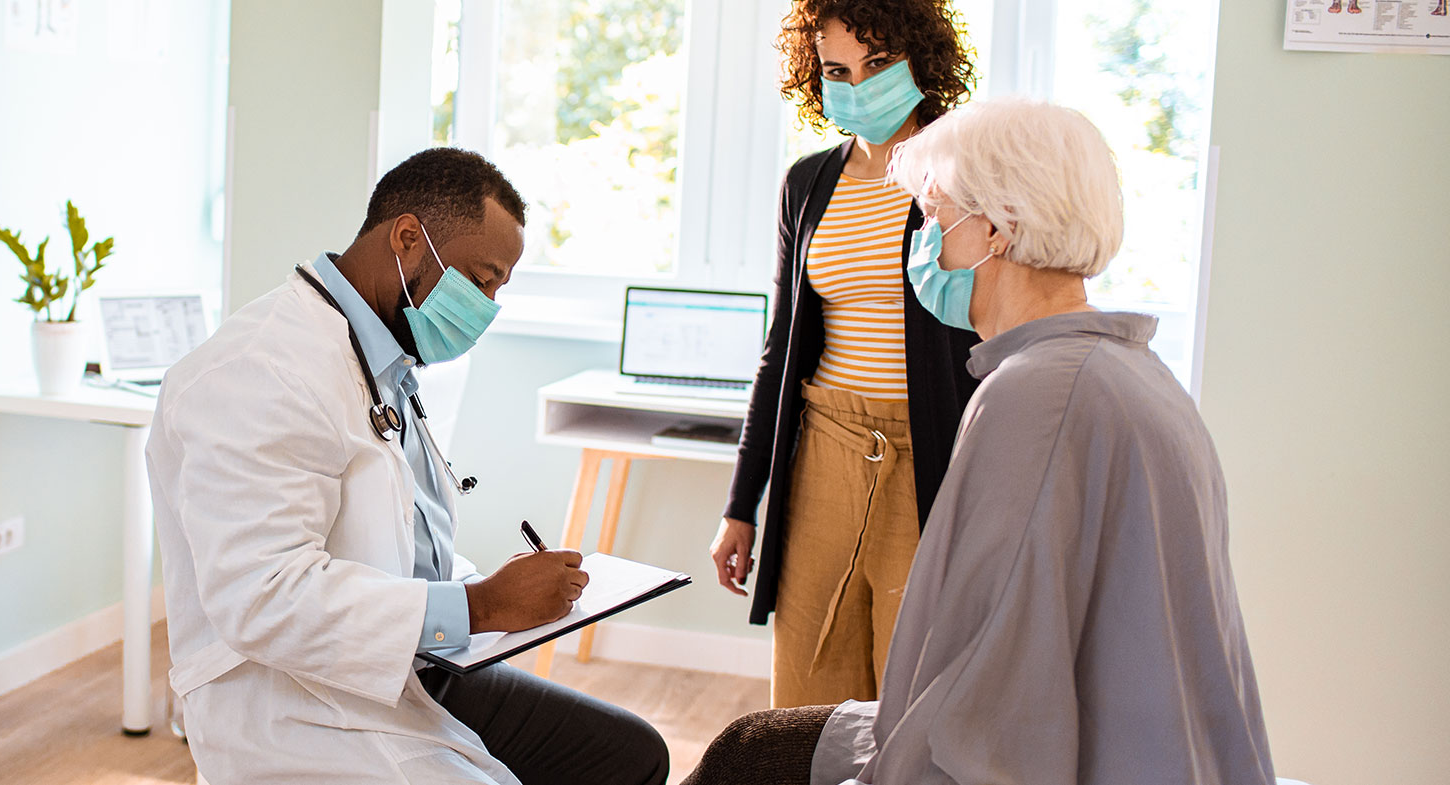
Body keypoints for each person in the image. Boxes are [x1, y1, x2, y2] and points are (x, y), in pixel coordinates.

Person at [683, 98, 1276, 785]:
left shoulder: (1036, 396)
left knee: (747, 756)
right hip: (1134, 745)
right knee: (755, 739)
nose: (923, 243)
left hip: (1059, 750)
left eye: (933, 217)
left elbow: (991, 698)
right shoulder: (1133, 371)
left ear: (995, 229)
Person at [144, 148, 669, 785]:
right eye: (480, 280)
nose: (487, 307)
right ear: (409, 238)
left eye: (499, 288)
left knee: (631, 755)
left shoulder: (380, 355)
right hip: (293, 699)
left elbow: (398, 538)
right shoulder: (262, 370)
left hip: (411, 664)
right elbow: (263, 598)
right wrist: (479, 607)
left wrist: (491, 592)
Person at [709, 0, 981, 710]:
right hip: (823, 451)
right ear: (814, 77)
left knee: (913, 686)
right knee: (808, 681)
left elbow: (995, 335)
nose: (858, 85)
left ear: (923, 58)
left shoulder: (966, 175)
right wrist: (742, 505)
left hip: (930, 458)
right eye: (837, 70)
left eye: (880, 63)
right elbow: (781, 350)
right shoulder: (807, 185)